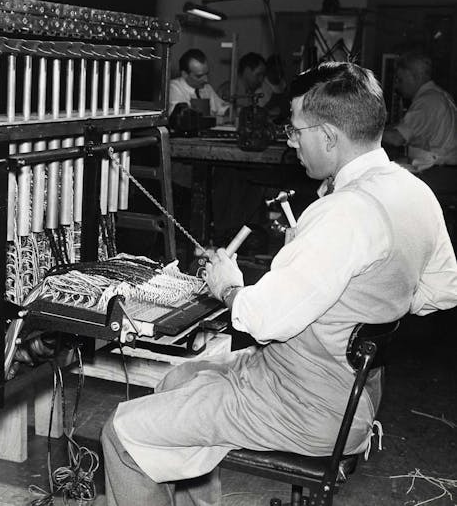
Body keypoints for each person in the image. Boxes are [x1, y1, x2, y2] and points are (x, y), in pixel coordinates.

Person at [101, 61, 457, 506]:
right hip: (350, 392)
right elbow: (443, 290)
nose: (292, 142)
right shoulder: (413, 191)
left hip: (306, 406)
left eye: (295, 131)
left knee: (120, 433)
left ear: (328, 136)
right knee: (178, 384)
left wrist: (229, 286)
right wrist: (358, 302)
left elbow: (259, 320)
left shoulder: (344, 213)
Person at [382, 51, 457, 173]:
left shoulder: (428, 101)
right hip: (443, 171)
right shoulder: (440, 95)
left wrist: (365, 132)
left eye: (400, 79)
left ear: (415, 76)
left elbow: (396, 138)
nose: (396, 86)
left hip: (439, 173)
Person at [168, 48, 230, 117]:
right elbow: (183, 116)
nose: (206, 80)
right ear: (184, 74)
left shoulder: (206, 88)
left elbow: (222, 108)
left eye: (206, 74)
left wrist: (230, 110)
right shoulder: (173, 88)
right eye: (199, 76)